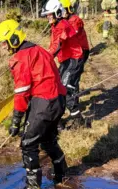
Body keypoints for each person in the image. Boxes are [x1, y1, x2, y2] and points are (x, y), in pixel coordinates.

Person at [0, 20, 68, 189]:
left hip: (44, 104)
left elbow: (22, 93)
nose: (2, 47)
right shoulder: (39, 49)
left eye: (4, 42)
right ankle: (62, 175)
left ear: (13, 38)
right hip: (59, 100)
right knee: (48, 140)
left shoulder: (20, 58)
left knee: (28, 143)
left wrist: (16, 121)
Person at [42, 0, 86, 128]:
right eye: (47, 15)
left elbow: (58, 44)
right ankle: (58, 119)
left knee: (66, 88)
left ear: (57, 13)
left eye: (50, 14)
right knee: (59, 88)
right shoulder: (55, 25)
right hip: (66, 60)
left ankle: (78, 119)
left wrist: (46, 59)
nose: (47, 17)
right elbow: (53, 44)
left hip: (74, 59)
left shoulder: (63, 25)